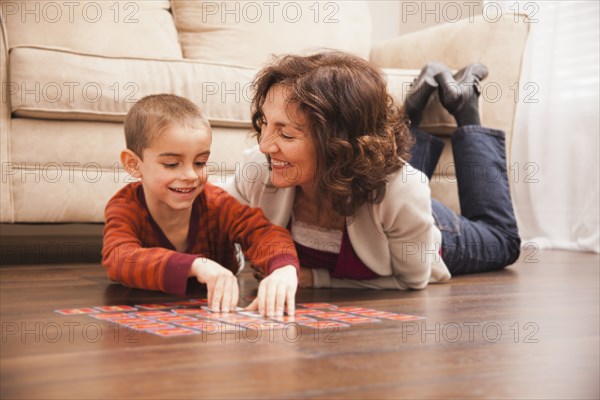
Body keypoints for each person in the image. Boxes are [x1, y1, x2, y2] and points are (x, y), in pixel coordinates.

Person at [225, 51, 521, 289]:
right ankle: (414, 109)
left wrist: (318, 280)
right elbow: (208, 216)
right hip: (377, 193)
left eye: (286, 135)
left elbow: (411, 281)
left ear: (336, 144)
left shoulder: (402, 191)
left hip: (423, 227)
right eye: (264, 122)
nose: (264, 145)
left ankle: (466, 104)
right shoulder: (258, 169)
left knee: (503, 242)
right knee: (388, 180)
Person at [102, 94, 299, 316]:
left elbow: (265, 234)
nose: (189, 175)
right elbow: (119, 258)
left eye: (200, 163)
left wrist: (284, 269)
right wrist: (197, 265)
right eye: (171, 164)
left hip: (217, 316)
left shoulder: (217, 202)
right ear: (133, 164)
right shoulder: (124, 206)